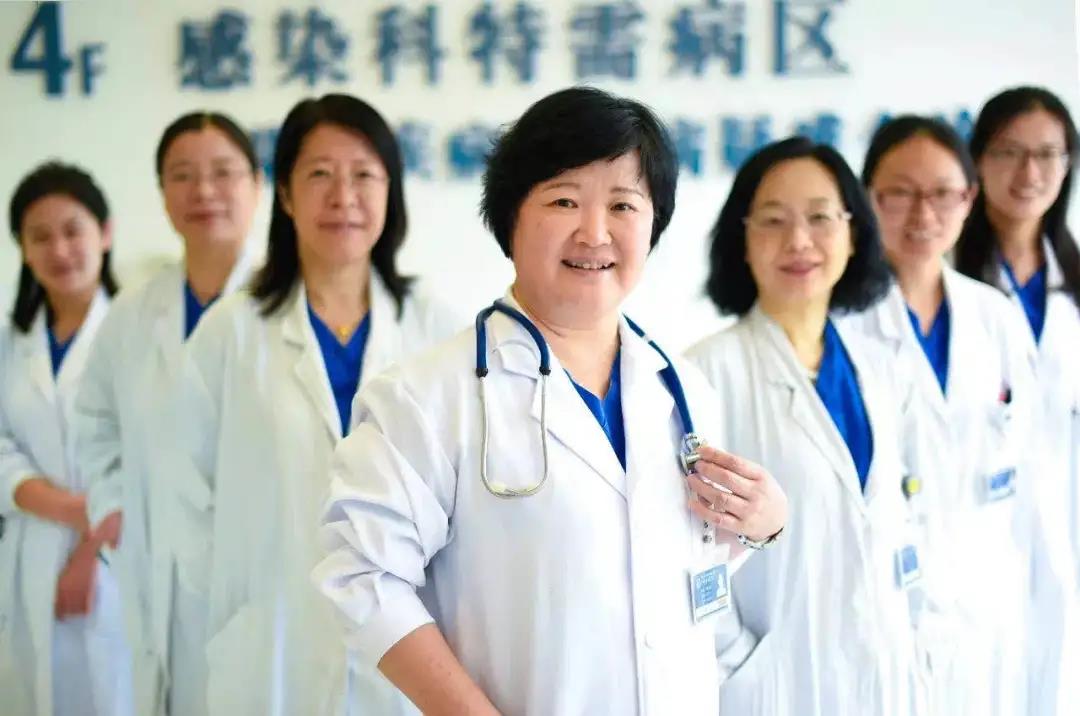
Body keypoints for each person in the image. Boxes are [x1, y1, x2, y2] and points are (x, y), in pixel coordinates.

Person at [312, 87, 788, 715]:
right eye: (564, 200)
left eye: (623, 204)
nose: (595, 232)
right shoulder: (427, 397)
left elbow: (664, 571)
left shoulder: (682, 390)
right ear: (511, 217)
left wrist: (759, 526)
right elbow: (362, 574)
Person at [170, 93, 464, 715]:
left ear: (390, 192)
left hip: (408, 650)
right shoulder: (230, 331)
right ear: (284, 193)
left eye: (364, 175)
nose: (343, 196)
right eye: (320, 174)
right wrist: (241, 609)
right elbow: (186, 497)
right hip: (268, 647)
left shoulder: (438, 329)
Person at [686, 137, 923, 715]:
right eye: (773, 220)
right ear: (742, 239)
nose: (798, 241)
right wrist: (740, 662)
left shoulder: (881, 365)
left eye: (820, 217)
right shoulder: (705, 374)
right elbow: (687, 552)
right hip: (775, 683)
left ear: (853, 232)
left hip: (885, 673)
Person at [75, 112, 262, 715]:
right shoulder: (132, 313)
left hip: (259, 568)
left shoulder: (284, 306)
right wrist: (111, 507)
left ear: (258, 186)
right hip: (157, 563)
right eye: (182, 175)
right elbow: (95, 420)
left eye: (223, 172)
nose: (203, 190)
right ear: (162, 194)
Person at [850, 115, 1033, 715]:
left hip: (983, 603)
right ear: (868, 198)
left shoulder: (996, 317)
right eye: (899, 194)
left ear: (969, 198)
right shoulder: (842, 324)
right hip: (879, 604)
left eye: (942, 194)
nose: (923, 214)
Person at [954, 85, 1080, 715]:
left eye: (1048, 154)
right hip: (970, 520)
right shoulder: (946, 279)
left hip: (1066, 517)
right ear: (977, 160)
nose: (1029, 173)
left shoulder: (1073, 284)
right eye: (1009, 152)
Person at [0, 163, 132, 715]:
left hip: (115, 556)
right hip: (28, 551)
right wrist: (70, 509)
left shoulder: (137, 333)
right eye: (40, 236)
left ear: (105, 232)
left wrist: (87, 552)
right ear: (23, 248)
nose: (59, 250)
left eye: (73, 231)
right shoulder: (11, 344)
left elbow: (145, 457)